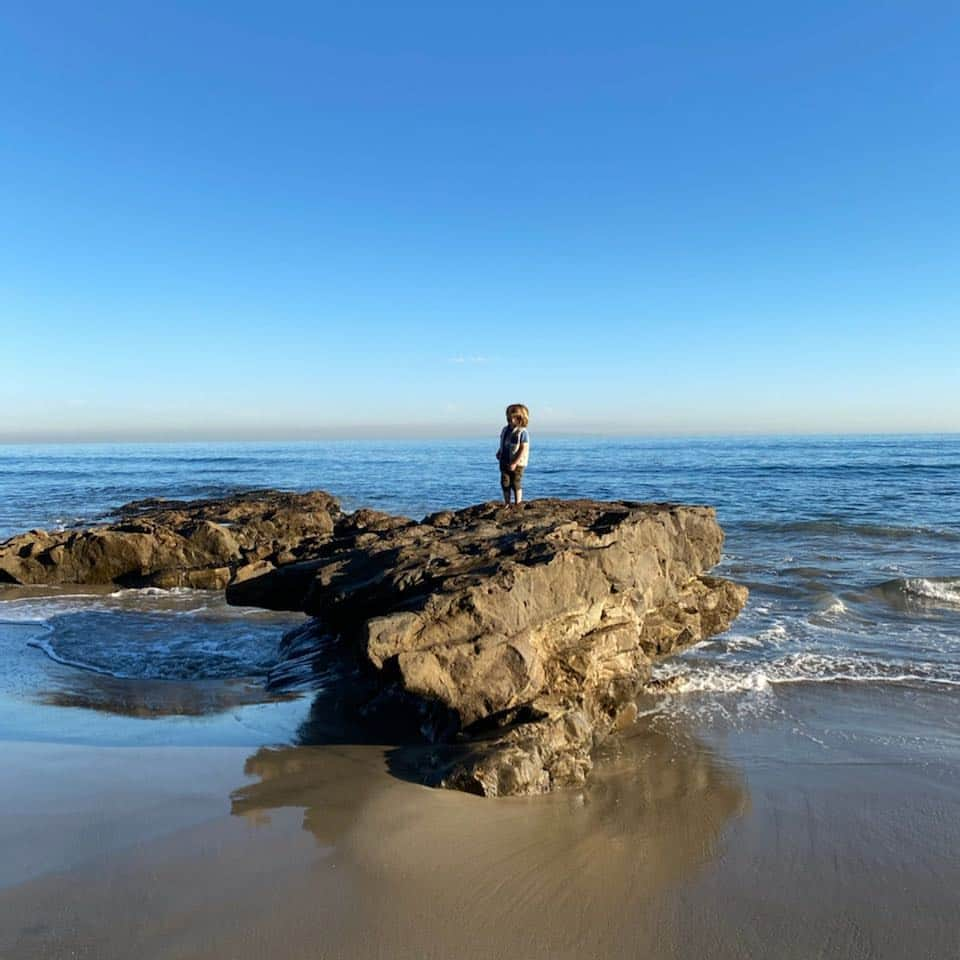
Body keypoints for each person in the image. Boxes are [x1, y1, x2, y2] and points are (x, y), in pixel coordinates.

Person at [496, 404, 530, 505]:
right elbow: (504, 443)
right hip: (504, 460)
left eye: (515, 417)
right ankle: (507, 503)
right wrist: (499, 452)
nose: (511, 419)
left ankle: (517, 503)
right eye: (509, 417)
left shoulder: (522, 432)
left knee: (515, 482)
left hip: (518, 463)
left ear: (521, 418)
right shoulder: (505, 430)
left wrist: (515, 462)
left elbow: (523, 449)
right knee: (504, 482)